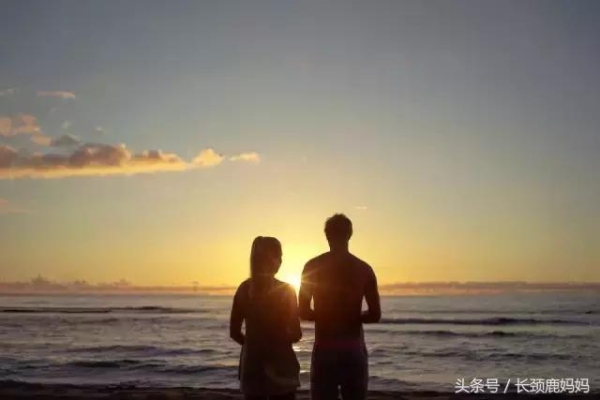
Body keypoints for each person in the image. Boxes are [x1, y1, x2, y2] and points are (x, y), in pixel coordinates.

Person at [299, 214, 381, 400]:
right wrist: (353, 316)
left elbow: (302, 311)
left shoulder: (313, 266)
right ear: (350, 234)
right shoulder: (364, 269)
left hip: (324, 347)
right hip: (353, 348)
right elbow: (375, 315)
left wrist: (325, 316)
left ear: (327, 235)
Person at [230, 236, 302, 400]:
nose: (281, 261)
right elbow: (297, 334)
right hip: (282, 364)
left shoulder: (244, 289)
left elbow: (234, 332)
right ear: (270, 259)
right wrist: (277, 343)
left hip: (252, 365)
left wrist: (254, 344)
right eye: (279, 256)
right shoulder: (286, 291)